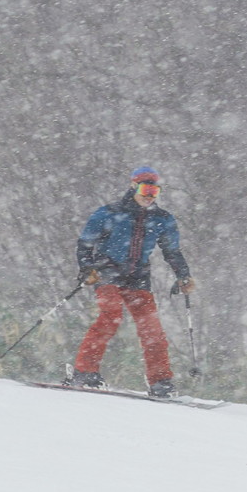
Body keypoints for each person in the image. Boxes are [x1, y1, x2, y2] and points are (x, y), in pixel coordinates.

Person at [69, 166, 194, 398]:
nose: (149, 196)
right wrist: (87, 268)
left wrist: (183, 274)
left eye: (154, 191)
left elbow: (172, 251)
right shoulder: (108, 213)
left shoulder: (162, 219)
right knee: (111, 316)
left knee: (152, 329)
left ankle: (161, 381)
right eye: (145, 189)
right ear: (133, 187)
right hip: (107, 273)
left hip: (138, 277)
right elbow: (85, 243)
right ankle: (85, 372)